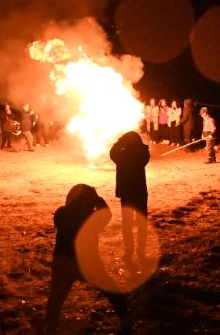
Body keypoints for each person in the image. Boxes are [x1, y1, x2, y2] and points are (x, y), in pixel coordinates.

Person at [44, 184, 130, 334]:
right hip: (86, 263)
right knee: (110, 288)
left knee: (55, 300)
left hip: (62, 261)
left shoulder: (60, 214)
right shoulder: (91, 219)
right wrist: (98, 199)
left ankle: (49, 328)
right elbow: (107, 214)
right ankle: (126, 318)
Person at [110, 131, 150, 266]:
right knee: (141, 223)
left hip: (127, 193)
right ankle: (141, 252)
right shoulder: (143, 153)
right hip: (140, 192)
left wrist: (120, 141)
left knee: (127, 225)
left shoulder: (122, 155)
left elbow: (112, 152)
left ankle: (129, 251)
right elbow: (145, 152)